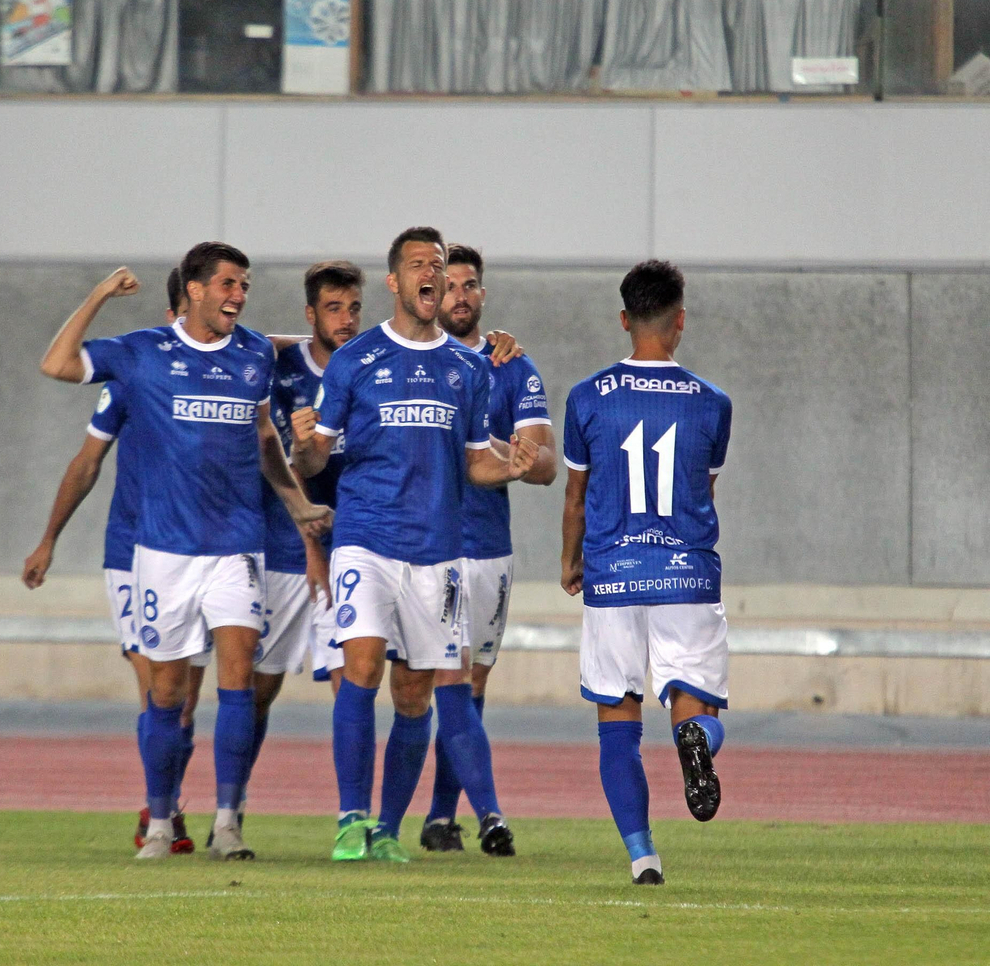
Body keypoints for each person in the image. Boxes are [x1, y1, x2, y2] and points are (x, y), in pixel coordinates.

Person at [39, 244, 332, 862]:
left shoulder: (252, 353)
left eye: (245, 286)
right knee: (168, 695)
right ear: (194, 290)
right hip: (163, 553)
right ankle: (160, 821)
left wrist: (297, 503)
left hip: (236, 547)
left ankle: (228, 823)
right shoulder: (142, 353)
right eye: (228, 284)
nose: (239, 295)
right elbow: (57, 363)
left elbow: (262, 440)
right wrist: (97, 295)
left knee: (238, 686)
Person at [291, 226, 538, 864]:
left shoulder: (468, 369)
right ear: (396, 282)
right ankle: (351, 819)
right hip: (367, 539)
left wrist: (512, 464)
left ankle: (387, 832)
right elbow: (317, 456)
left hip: (439, 550)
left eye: (440, 262)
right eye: (419, 265)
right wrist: (304, 443)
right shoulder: (356, 359)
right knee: (363, 666)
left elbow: (476, 460)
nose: (431, 272)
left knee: (414, 691)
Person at [559, 260, 732, 886]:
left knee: (617, 721)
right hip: (685, 574)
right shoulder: (713, 404)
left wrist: (570, 559)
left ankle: (643, 858)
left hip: (613, 572)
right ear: (680, 320)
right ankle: (695, 742)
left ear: (625, 319)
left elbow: (576, 495)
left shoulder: (585, 397)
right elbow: (700, 489)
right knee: (696, 704)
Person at [22, 268, 206, 855]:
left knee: (188, 696)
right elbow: (87, 463)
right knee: (157, 686)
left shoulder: (229, 369)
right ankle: (161, 812)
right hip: (134, 550)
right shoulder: (134, 374)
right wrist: (49, 537)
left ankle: (166, 803)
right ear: (179, 306)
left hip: (202, 548)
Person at [419, 244, 557, 852]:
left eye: (470, 285)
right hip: (427, 546)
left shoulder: (514, 369)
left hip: (489, 549)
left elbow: (547, 465)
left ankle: (439, 818)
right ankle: (487, 814)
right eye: (449, 286)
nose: (460, 296)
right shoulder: (416, 360)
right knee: (435, 683)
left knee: (470, 688)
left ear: (482, 294)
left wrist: (513, 458)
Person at [244, 261, 365, 810]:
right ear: (310, 314)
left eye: (354, 308)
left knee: (351, 684)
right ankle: (232, 803)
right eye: (334, 308)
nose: (346, 319)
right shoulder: (279, 365)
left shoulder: (369, 365)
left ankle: (352, 818)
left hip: (350, 552)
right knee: (257, 692)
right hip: (282, 553)